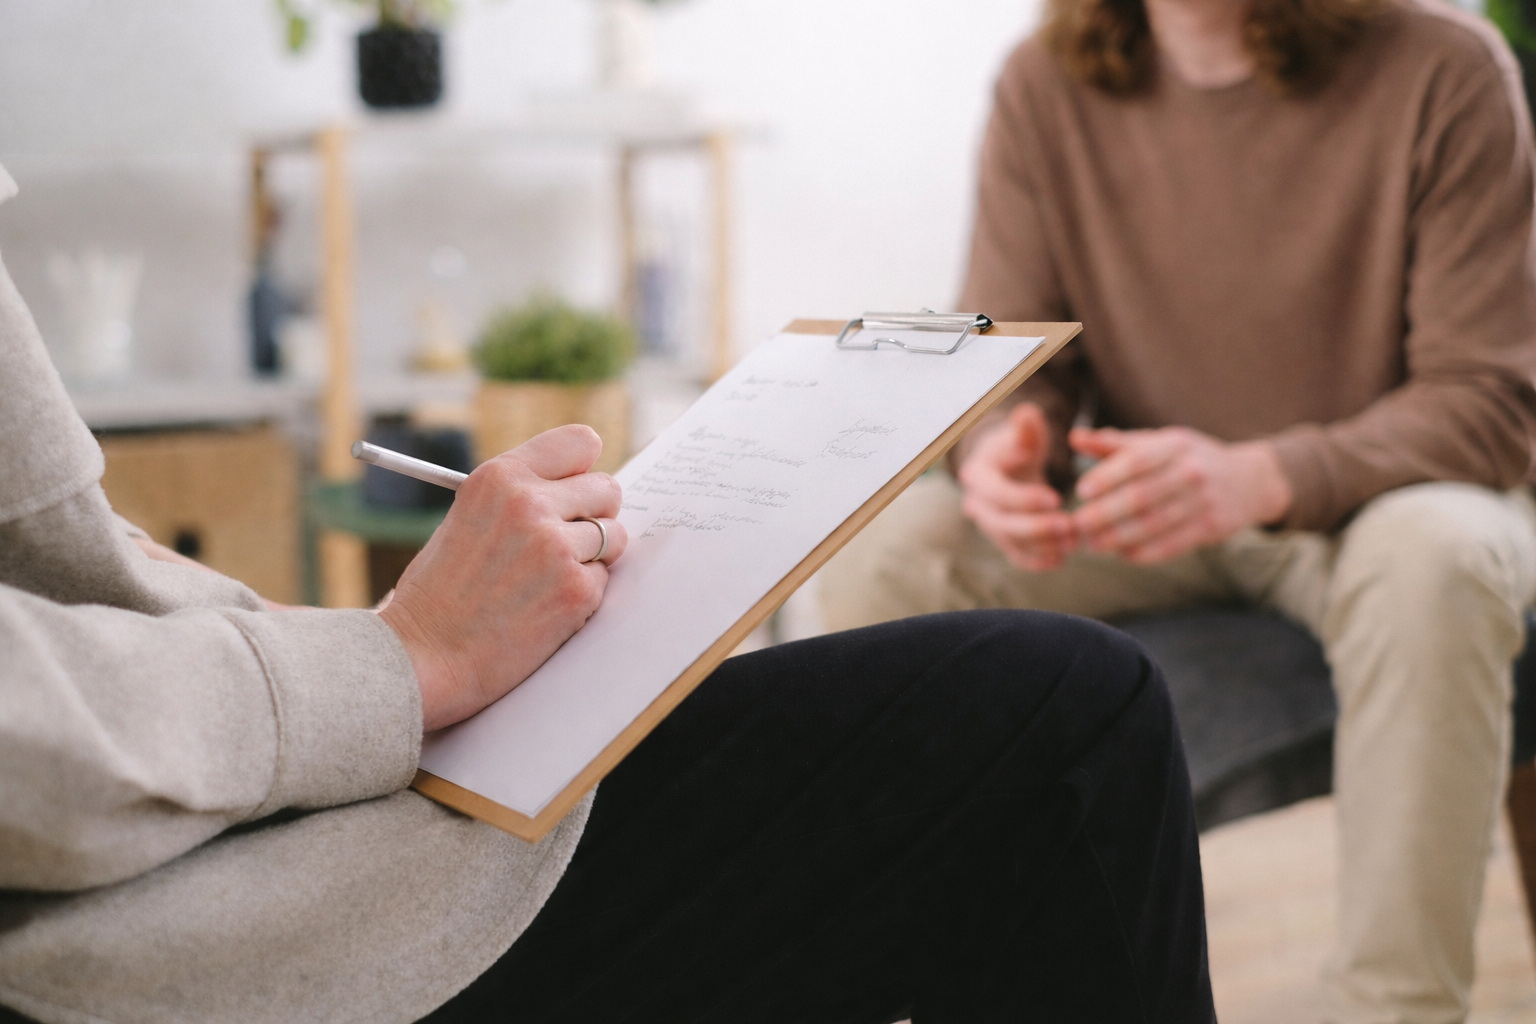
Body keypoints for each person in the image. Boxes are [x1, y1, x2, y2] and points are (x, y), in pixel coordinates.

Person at [0, 162, 1214, 1023]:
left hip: (222, 847)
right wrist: (398, 657)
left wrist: (335, 641)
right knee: (1068, 717)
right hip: (153, 941)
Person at [821, 0, 1536, 1020]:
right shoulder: (1043, 83)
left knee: (1442, 553)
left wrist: (1265, 474)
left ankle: (1397, 1006)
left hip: (1379, 504)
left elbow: (1491, 404)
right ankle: (955, 983)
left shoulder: (1446, 66)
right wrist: (1000, 447)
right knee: (891, 545)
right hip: (1143, 511)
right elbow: (1014, 360)